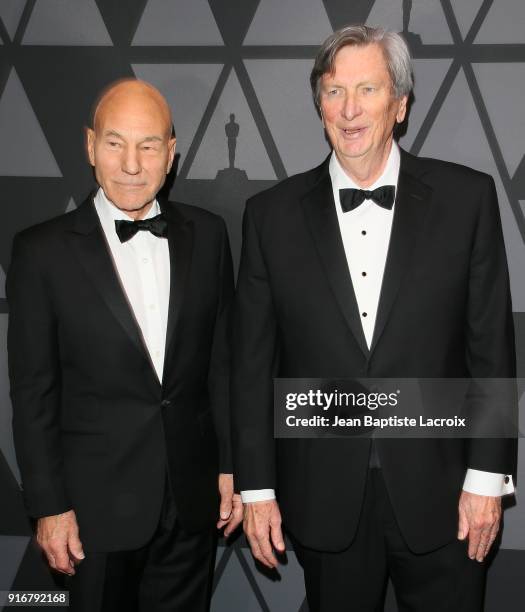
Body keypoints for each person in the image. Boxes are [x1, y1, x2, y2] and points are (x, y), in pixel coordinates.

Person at [231, 25, 516, 611]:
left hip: (447, 495)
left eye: (368, 89)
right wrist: (256, 488)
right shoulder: (270, 217)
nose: (350, 109)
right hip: (324, 495)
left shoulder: (468, 200)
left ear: (401, 104)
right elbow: (252, 365)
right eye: (334, 92)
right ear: (319, 105)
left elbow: (491, 348)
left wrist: (487, 478)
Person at [7, 79, 242, 612]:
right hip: (93, 513)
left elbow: (222, 367)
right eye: (115, 143)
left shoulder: (209, 237)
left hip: (190, 500)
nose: (131, 164)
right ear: (90, 146)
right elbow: (33, 392)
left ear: (171, 153)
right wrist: (49, 507)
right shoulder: (41, 253)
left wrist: (231, 465)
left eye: (149, 145)